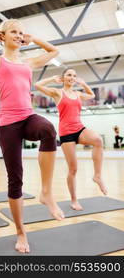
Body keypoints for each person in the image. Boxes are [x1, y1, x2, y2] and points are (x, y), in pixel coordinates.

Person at [0, 19, 64, 254]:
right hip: (8, 125)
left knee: (48, 129)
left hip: (27, 117)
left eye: (21, 33)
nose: (18, 35)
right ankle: (20, 231)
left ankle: (46, 193)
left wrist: (33, 39)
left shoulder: (29, 61)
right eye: (14, 32)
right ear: (4, 36)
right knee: (15, 180)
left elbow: (55, 50)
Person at [35, 68, 107, 211]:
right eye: (69, 75)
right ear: (63, 78)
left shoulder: (78, 94)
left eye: (74, 75)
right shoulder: (57, 93)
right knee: (73, 169)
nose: (72, 77)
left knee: (98, 140)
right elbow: (37, 85)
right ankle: (74, 200)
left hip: (79, 129)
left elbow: (92, 94)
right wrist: (51, 79)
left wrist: (83, 83)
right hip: (66, 133)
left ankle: (97, 176)